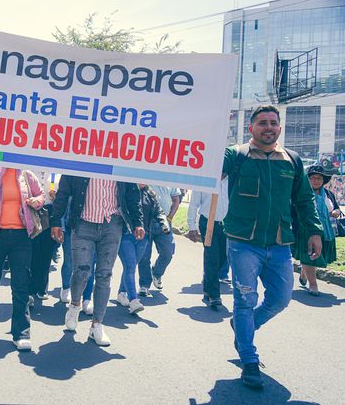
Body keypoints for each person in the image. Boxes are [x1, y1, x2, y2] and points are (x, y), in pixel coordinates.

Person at [224, 105, 323, 389]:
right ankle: (249, 359)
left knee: (281, 299)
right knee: (244, 300)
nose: (268, 127)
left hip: (280, 243)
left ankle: (243, 326)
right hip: (243, 242)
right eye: (262, 123)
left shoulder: (291, 160)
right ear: (251, 128)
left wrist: (314, 231)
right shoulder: (236, 155)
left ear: (279, 128)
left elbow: (304, 200)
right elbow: (208, 168)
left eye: (273, 123)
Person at [51, 176, 144, 346]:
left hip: (112, 224)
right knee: (81, 272)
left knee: (105, 275)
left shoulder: (123, 163)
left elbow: (132, 192)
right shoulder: (81, 161)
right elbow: (63, 190)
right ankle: (75, 304)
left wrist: (138, 221)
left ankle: (97, 325)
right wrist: (56, 220)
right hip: (83, 222)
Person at [0, 166, 44, 351]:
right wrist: (2, 165)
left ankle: (21, 332)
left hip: (21, 236)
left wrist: (36, 202)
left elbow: (41, 195)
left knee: (21, 284)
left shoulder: (26, 173)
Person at [117, 184, 168, 314]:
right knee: (130, 267)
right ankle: (134, 300)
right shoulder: (123, 190)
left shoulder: (149, 195)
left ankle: (122, 293)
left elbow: (158, 211)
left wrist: (164, 224)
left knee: (130, 266)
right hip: (125, 234)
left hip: (143, 237)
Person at [293, 165, 340, 296]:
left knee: (316, 257)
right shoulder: (302, 193)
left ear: (323, 180)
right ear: (307, 179)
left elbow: (336, 208)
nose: (316, 180)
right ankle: (313, 285)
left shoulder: (328, 194)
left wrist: (336, 212)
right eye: (313, 177)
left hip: (325, 231)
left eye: (319, 178)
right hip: (306, 229)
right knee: (310, 256)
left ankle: (304, 272)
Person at [187, 177, 229, 308]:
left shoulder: (232, 178)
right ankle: (214, 296)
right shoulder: (204, 178)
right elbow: (194, 204)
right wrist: (192, 227)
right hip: (208, 223)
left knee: (223, 257)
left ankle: (208, 284)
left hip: (227, 224)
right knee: (212, 257)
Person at [137, 185, 180, 294]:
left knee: (168, 252)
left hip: (164, 221)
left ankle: (156, 273)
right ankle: (144, 285)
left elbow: (176, 199)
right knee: (144, 256)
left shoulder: (171, 178)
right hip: (146, 221)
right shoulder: (146, 176)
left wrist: (169, 218)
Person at [28, 172, 58, 303]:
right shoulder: (29, 169)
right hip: (31, 211)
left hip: (49, 213)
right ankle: (30, 288)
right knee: (32, 252)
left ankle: (42, 287)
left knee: (47, 252)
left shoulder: (56, 172)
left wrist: (56, 196)